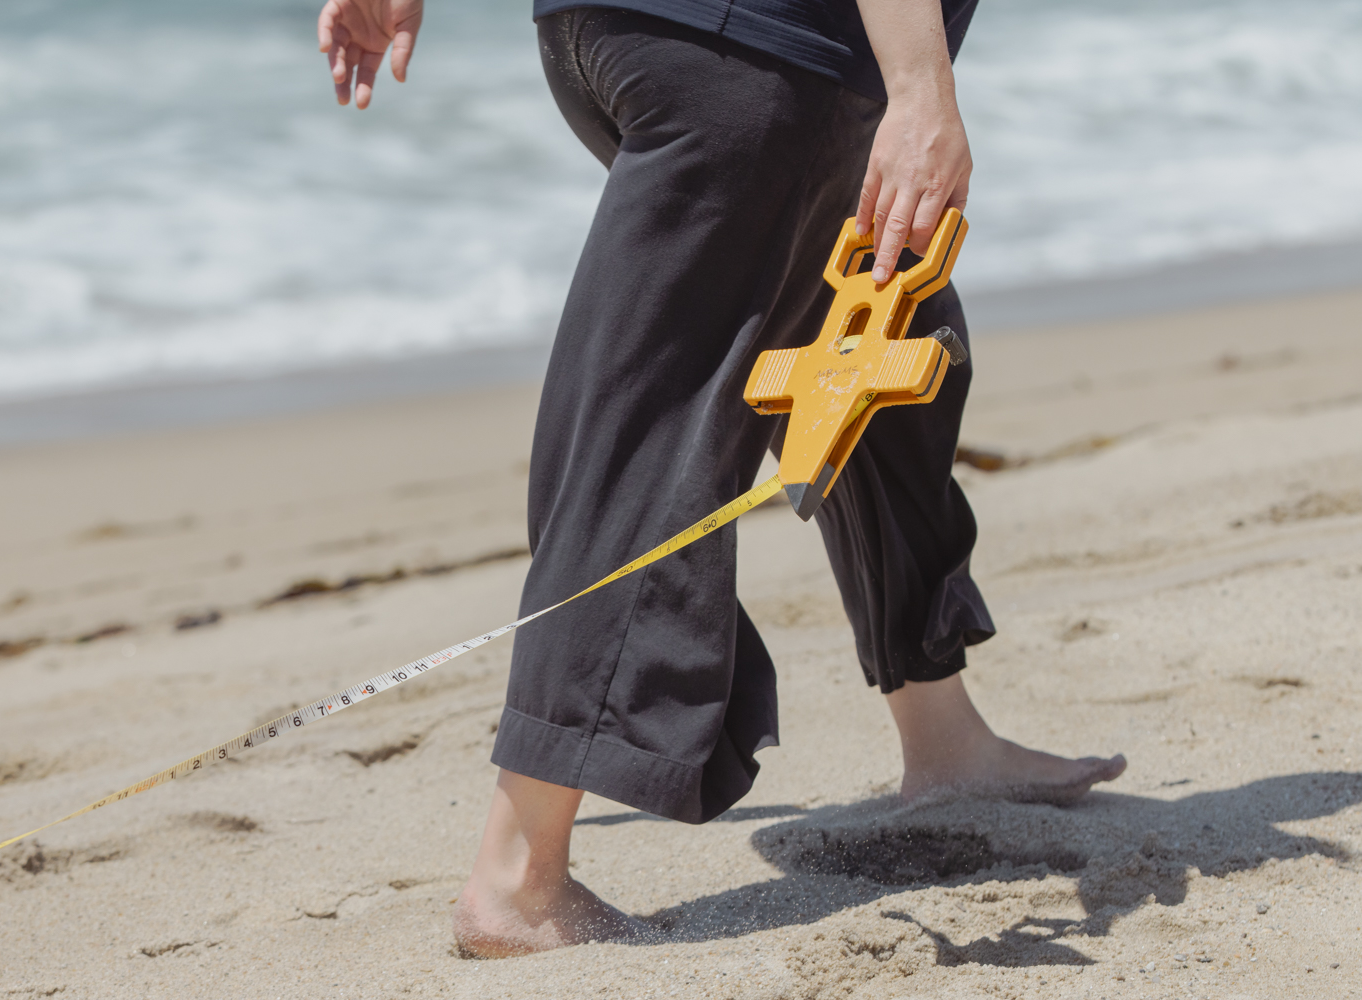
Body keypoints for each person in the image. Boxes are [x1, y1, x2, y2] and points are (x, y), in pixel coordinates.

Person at [317, 0, 1127, 958]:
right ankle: (517, 875)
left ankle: (942, 735)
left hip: (631, 32)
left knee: (889, 347)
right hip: (757, 48)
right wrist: (919, 87)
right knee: (655, 434)